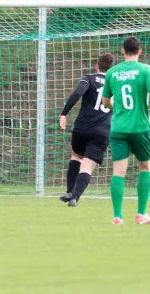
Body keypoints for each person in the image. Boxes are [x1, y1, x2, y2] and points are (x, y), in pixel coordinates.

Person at [102, 36, 150, 225]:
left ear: (122, 51)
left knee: (118, 172)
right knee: (145, 167)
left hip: (118, 129)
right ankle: (141, 213)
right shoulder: (145, 70)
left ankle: (117, 216)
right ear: (140, 51)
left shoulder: (112, 72)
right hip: (140, 128)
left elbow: (106, 102)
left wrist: (115, 109)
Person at [59, 53, 115, 207]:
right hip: (103, 131)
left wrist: (64, 113)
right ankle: (75, 198)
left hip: (82, 128)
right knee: (87, 166)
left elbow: (78, 93)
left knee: (76, 156)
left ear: (97, 65)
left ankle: (70, 191)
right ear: (112, 69)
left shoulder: (89, 78)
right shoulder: (115, 83)